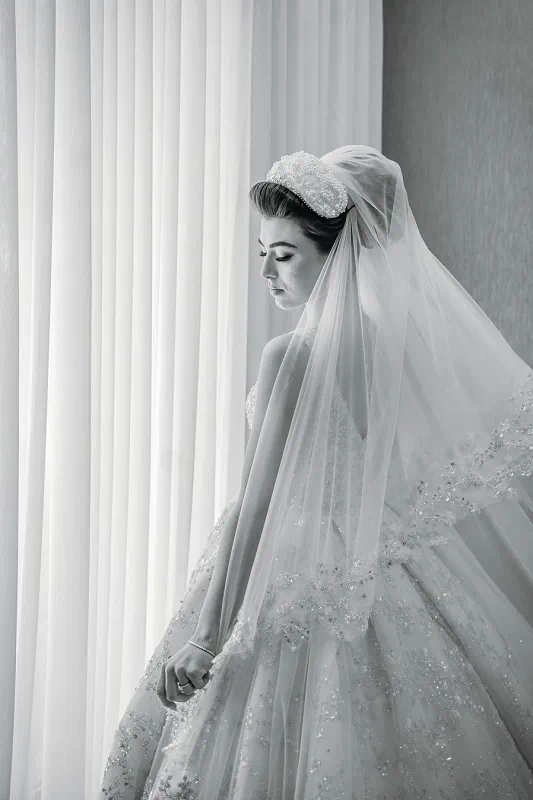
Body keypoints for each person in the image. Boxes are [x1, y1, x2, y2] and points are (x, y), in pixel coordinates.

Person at [100, 146, 533, 799]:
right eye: (262, 253)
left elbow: (255, 507)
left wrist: (208, 636)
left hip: (290, 569)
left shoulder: (292, 357)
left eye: (286, 255)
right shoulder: (403, 350)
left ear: (340, 256)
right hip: (387, 568)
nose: (268, 273)